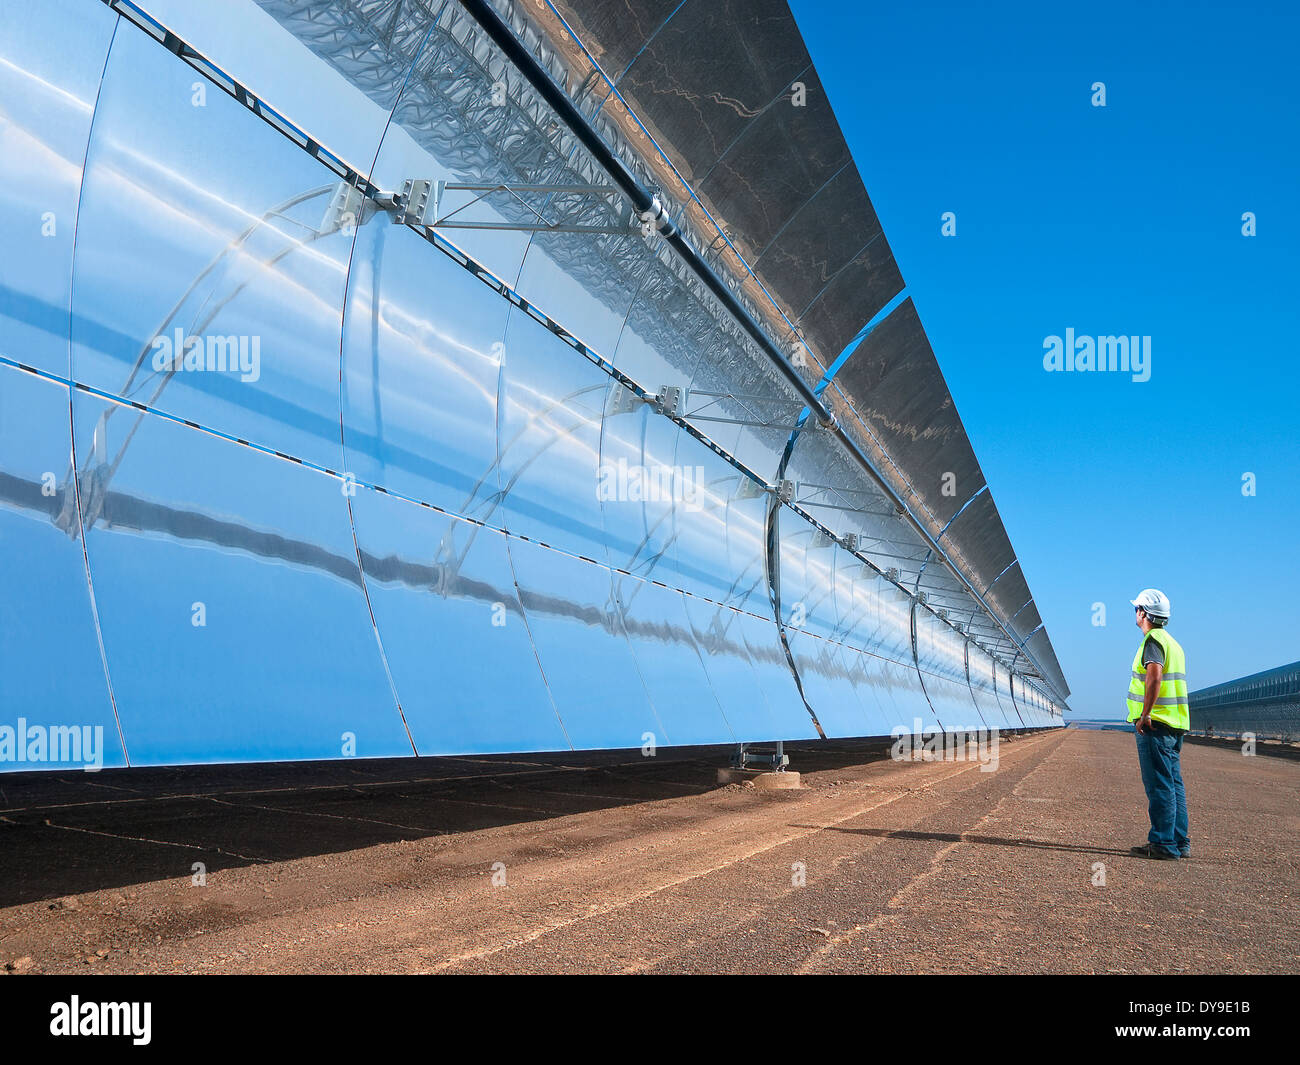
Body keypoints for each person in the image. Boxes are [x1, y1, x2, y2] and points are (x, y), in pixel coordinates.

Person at [1126, 589, 1190, 860]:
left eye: (1136, 609)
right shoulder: (1173, 643)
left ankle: (1163, 844)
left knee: (1159, 785)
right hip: (1175, 724)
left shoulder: (1152, 641)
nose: (1135, 613)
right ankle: (1178, 841)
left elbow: (1154, 677)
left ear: (1144, 613)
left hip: (1156, 725)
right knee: (1173, 784)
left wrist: (1145, 714)